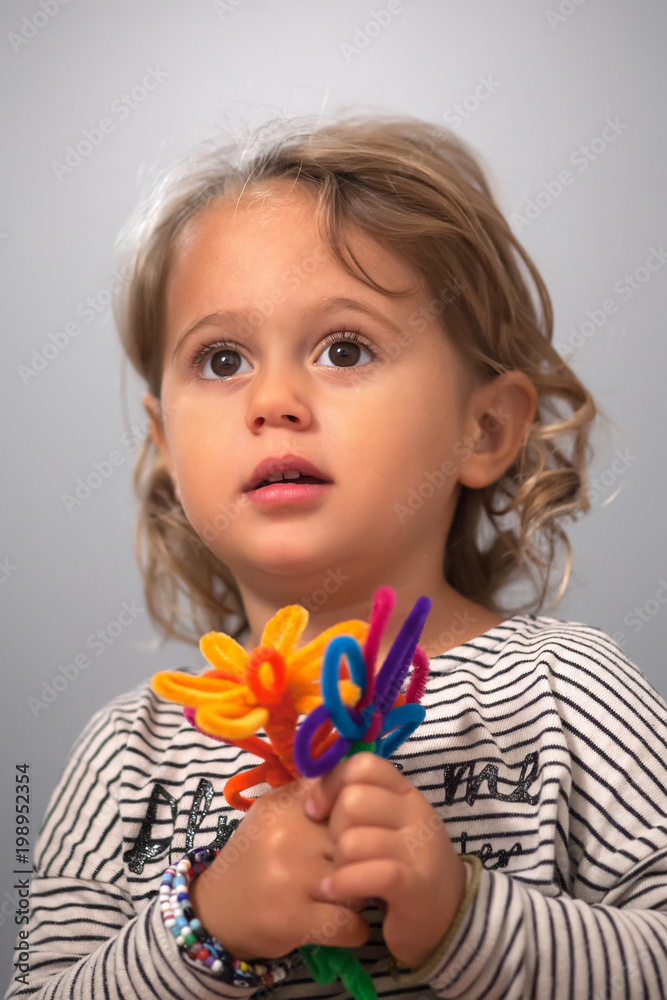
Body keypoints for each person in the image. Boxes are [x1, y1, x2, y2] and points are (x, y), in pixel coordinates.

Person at [6, 112, 667, 1000]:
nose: (273, 399)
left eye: (343, 348)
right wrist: (203, 930)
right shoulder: (128, 756)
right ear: (164, 441)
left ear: (485, 428)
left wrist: (462, 915)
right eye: (222, 358)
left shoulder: (568, 692)